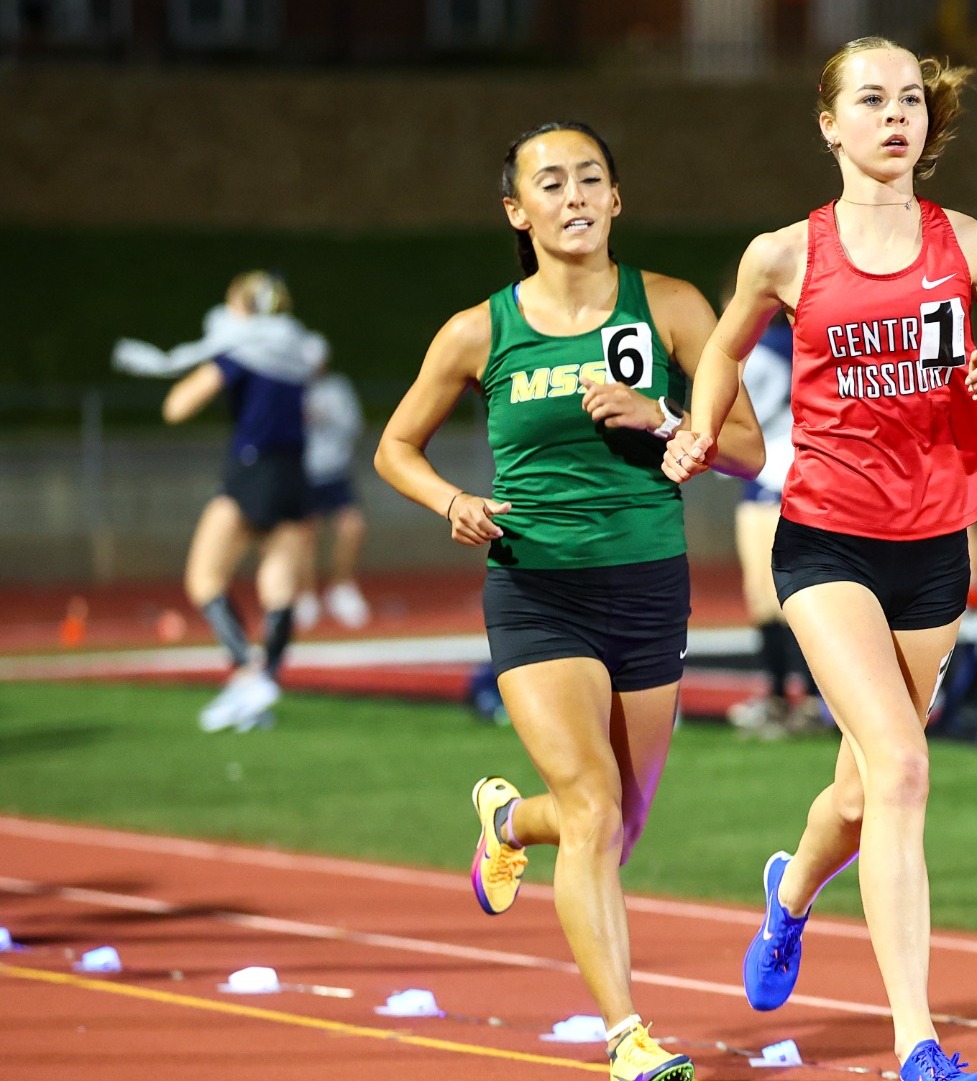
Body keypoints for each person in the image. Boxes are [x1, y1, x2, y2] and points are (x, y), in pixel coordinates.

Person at [662, 37, 977, 1081]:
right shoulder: (784, 254)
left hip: (932, 551)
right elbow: (722, 345)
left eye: (911, 102)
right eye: (872, 100)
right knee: (902, 766)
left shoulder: (969, 246)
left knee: (856, 791)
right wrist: (704, 427)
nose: (897, 116)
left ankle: (788, 896)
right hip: (826, 538)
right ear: (829, 123)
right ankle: (917, 1046)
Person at [373, 121, 764, 1081]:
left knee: (615, 825)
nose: (575, 194)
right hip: (535, 586)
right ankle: (629, 1037)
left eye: (592, 177)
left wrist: (666, 417)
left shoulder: (670, 307)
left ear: (618, 198)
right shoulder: (479, 330)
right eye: (552, 182)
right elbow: (395, 447)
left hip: (646, 586)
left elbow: (750, 446)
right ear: (518, 210)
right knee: (592, 806)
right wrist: (453, 502)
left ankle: (508, 822)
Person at [113, 271, 324, 733]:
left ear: (245, 308)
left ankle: (247, 673)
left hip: (249, 470)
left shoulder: (243, 350)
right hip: (293, 473)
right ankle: (262, 685)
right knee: (278, 588)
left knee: (205, 576)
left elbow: (179, 406)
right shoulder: (298, 350)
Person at [726, 312, 827, 738]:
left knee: (772, 599)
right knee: (797, 595)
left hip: (771, 480)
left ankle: (787, 699)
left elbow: (748, 414)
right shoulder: (812, 336)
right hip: (807, 475)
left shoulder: (762, 349)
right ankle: (806, 700)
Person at [295, 364, 371, 631]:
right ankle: (305, 596)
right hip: (302, 473)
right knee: (305, 532)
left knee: (352, 526)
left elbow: (354, 425)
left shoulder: (337, 387)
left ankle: (341, 587)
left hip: (335, 471)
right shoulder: (290, 385)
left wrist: (326, 415)